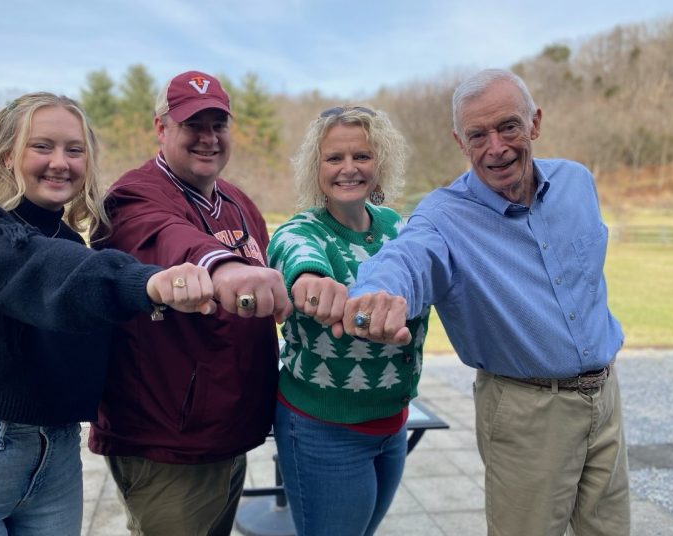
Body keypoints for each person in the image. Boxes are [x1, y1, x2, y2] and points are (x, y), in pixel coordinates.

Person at [0, 92, 217, 536]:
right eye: (42, 146)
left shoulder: (70, 243)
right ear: (5, 156)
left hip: (54, 459)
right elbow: (38, 270)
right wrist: (150, 282)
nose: (61, 162)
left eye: (74, 150)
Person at [345, 69, 629, 536]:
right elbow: (407, 258)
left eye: (509, 127)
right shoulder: (444, 215)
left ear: (535, 123)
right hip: (526, 409)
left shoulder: (577, 183)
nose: (496, 147)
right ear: (461, 141)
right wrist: (376, 294)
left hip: (606, 397)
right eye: (478, 135)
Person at [88, 70, 292, 535]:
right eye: (192, 125)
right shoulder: (132, 197)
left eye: (217, 125)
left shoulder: (238, 202)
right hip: (166, 445)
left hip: (227, 433)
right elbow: (168, 237)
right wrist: (226, 269)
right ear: (161, 129)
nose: (208, 138)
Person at [266, 105, 430, 535]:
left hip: (392, 422)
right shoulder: (300, 230)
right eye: (334, 158)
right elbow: (296, 258)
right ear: (315, 168)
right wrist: (310, 282)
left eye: (362, 156)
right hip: (324, 431)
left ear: (381, 163)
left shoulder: (399, 227)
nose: (348, 168)